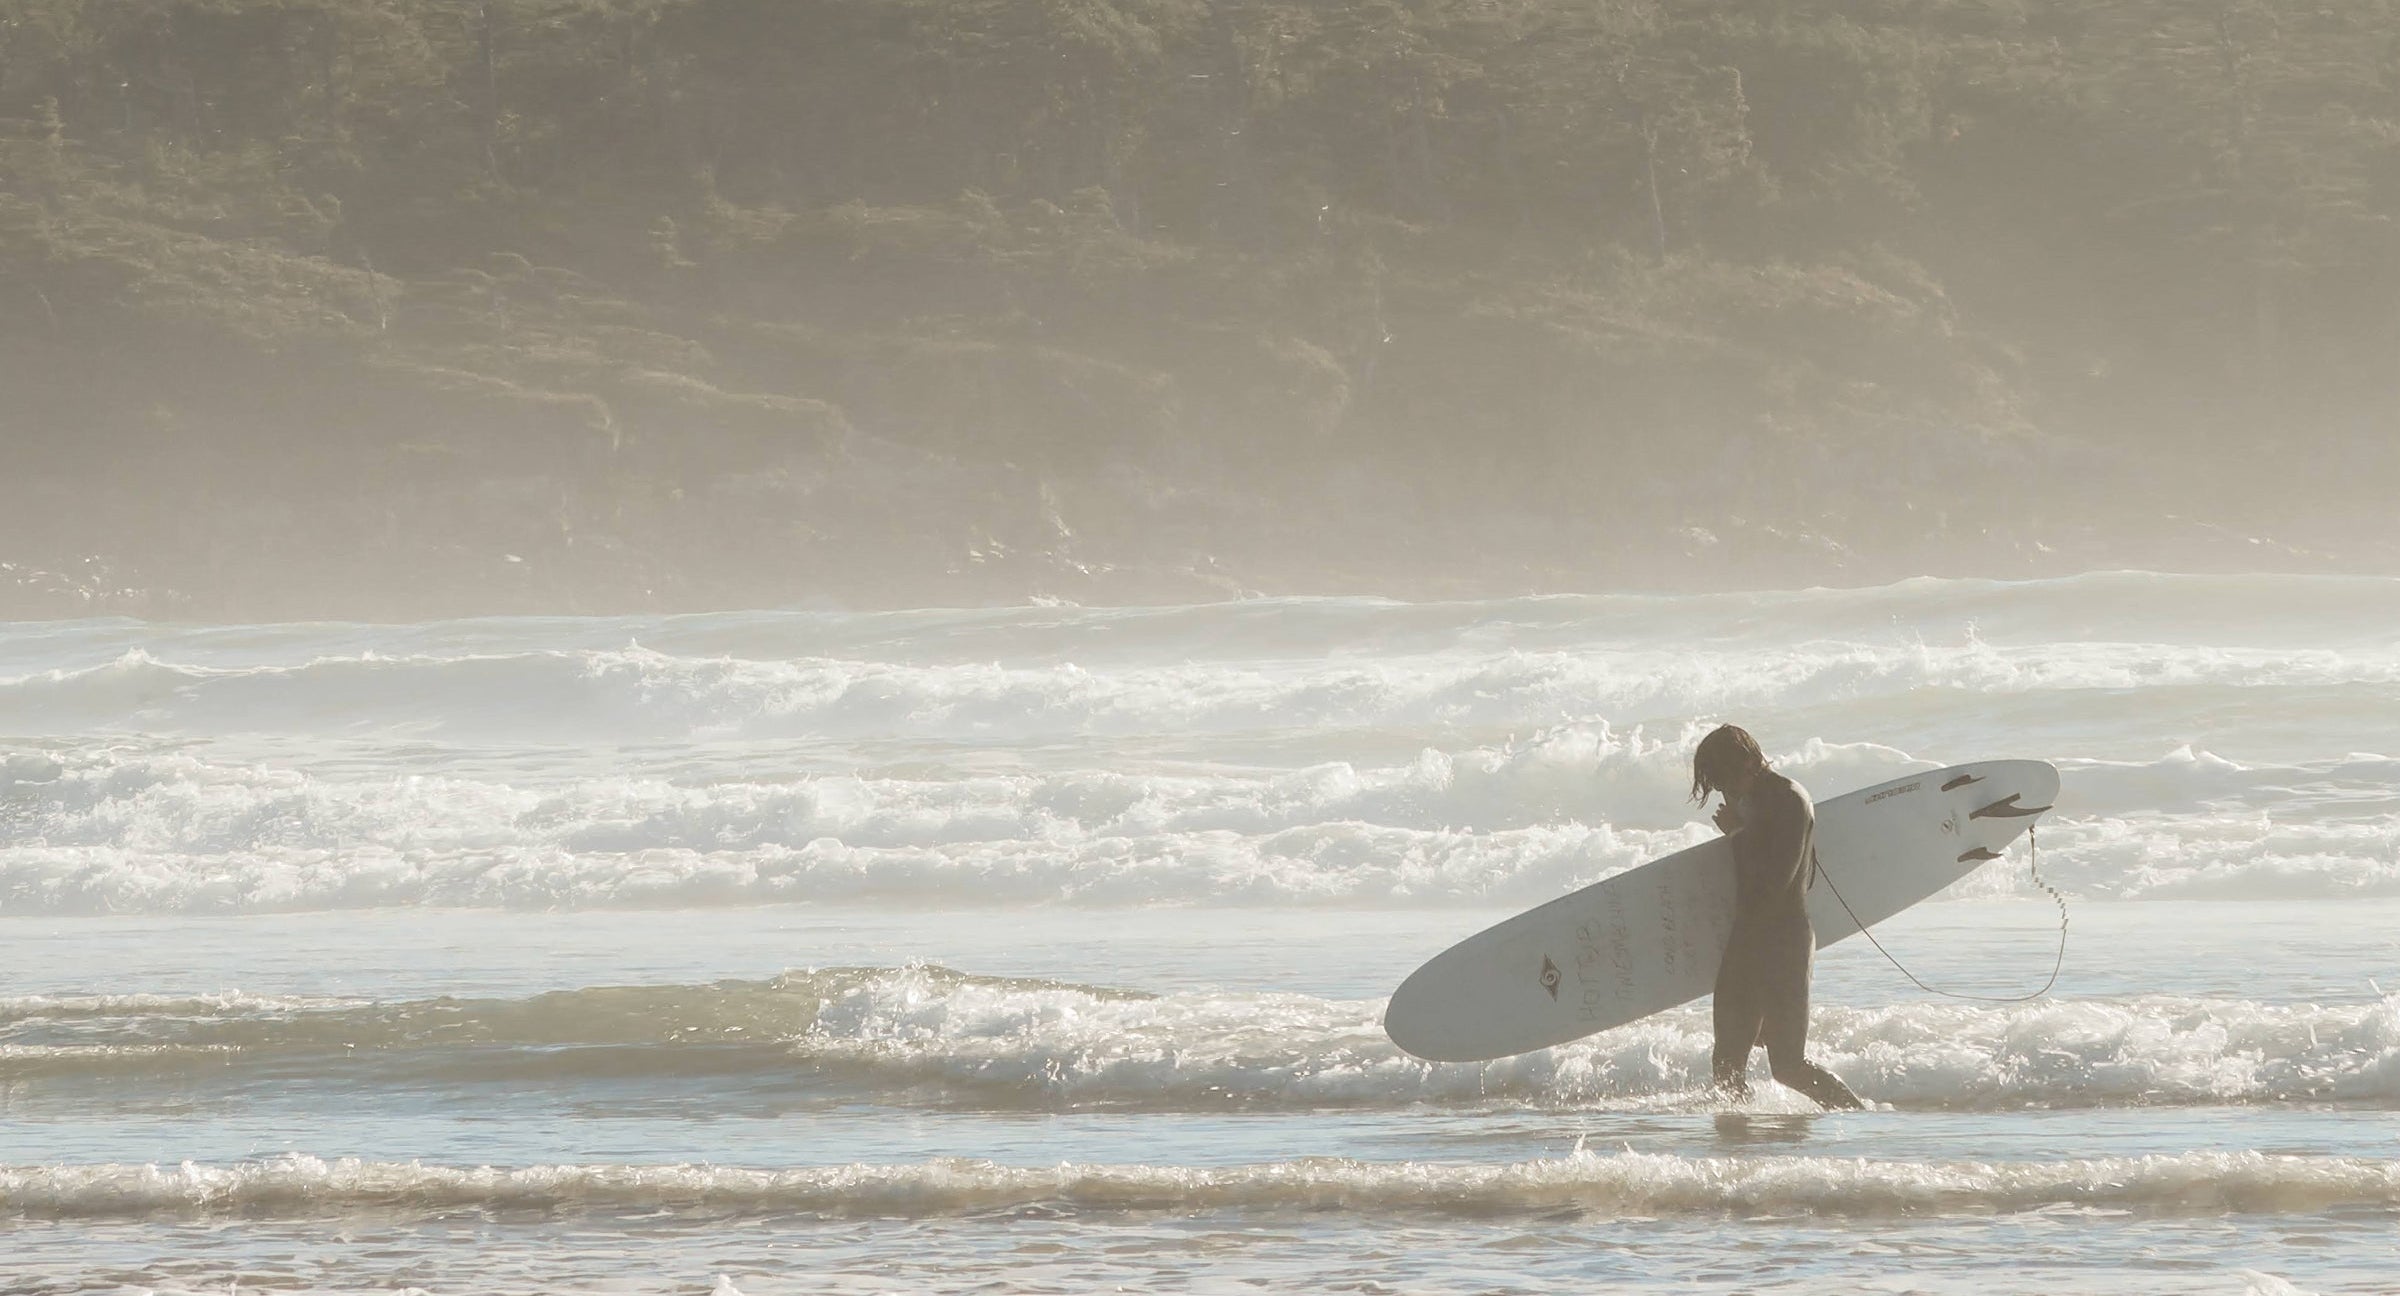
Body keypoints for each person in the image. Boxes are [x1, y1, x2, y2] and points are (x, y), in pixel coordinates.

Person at [1691, 724, 1864, 1110]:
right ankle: (1740, 1146)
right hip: (1747, 940)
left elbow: (1775, 882)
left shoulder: (1789, 800)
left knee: (1788, 1066)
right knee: (1726, 1063)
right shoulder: (1751, 802)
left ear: (1750, 763)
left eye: (1725, 781)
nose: (1725, 792)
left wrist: (1737, 834)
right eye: (1717, 786)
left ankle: (1858, 1121)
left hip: (1783, 944)